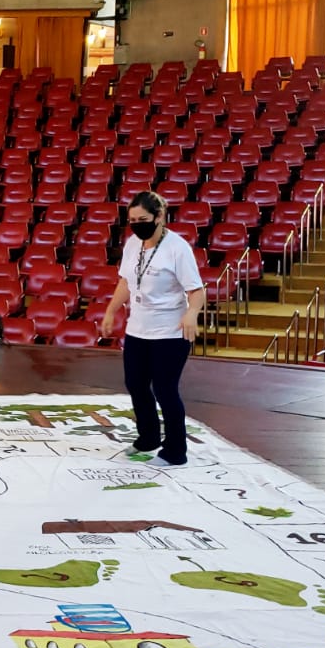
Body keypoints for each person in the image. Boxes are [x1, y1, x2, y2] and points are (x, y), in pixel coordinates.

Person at [100, 191, 205, 466]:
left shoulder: (177, 248)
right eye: (132, 219)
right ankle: (148, 438)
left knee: (164, 389)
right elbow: (125, 282)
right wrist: (111, 311)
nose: (137, 224)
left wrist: (192, 314)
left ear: (159, 217)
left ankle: (175, 451)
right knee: (135, 383)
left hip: (170, 331)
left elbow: (196, 290)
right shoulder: (133, 244)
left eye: (143, 219)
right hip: (138, 329)